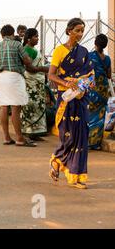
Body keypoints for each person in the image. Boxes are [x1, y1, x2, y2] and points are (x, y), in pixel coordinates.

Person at [48, 18, 94, 189]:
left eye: (82, 31)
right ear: (68, 31)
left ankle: (77, 175)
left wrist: (83, 87)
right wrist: (67, 84)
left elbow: (91, 75)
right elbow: (51, 75)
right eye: (77, 30)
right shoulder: (59, 51)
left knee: (82, 136)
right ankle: (57, 159)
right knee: (68, 135)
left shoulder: (84, 52)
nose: (80, 34)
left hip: (81, 98)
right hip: (66, 98)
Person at [0, 24, 36, 147]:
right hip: (15, 77)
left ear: (2, 35)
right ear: (12, 33)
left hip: (2, 77)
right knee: (16, 108)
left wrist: (1, 64)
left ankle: (6, 137)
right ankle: (19, 138)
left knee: (3, 107)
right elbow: (27, 61)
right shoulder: (17, 45)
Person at [21, 28, 50, 141]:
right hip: (31, 82)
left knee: (36, 106)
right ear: (29, 39)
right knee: (32, 106)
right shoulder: (28, 50)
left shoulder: (31, 49)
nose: (38, 39)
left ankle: (35, 131)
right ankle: (30, 130)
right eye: (36, 36)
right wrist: (43, 68)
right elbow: (30, 68)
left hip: (36, 82)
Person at [88, 34, 111, 150]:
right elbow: (109, 75)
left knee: (89, 114)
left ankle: (87, 142)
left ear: (95, 43)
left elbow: (85, 72)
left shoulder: (90, 56)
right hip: (103, 90)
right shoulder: (107, 59)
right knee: (100, 116)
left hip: (92, 87)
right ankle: (95, 143)